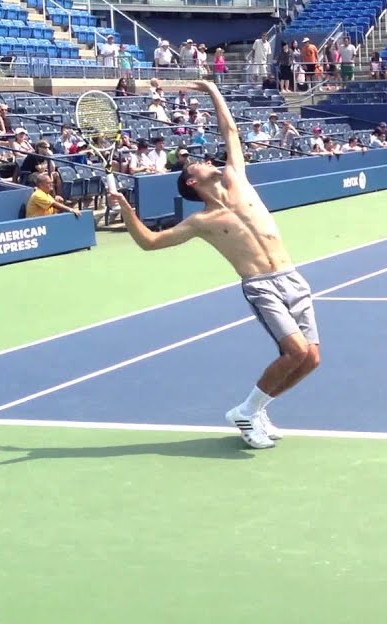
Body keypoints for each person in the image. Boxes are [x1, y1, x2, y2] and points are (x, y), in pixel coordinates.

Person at [108, 81, 319, 450]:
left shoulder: (237, 178)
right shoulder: (201, 221)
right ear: (192, 181)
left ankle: (259, 409)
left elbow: (231, 130)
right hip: (262, 286)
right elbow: (150, 243)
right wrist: (127, 211)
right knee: (296, 353)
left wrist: (211, 90)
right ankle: (245, 411)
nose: (207, 160)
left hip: (293, 277)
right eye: (198, 163)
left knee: (312, 359)